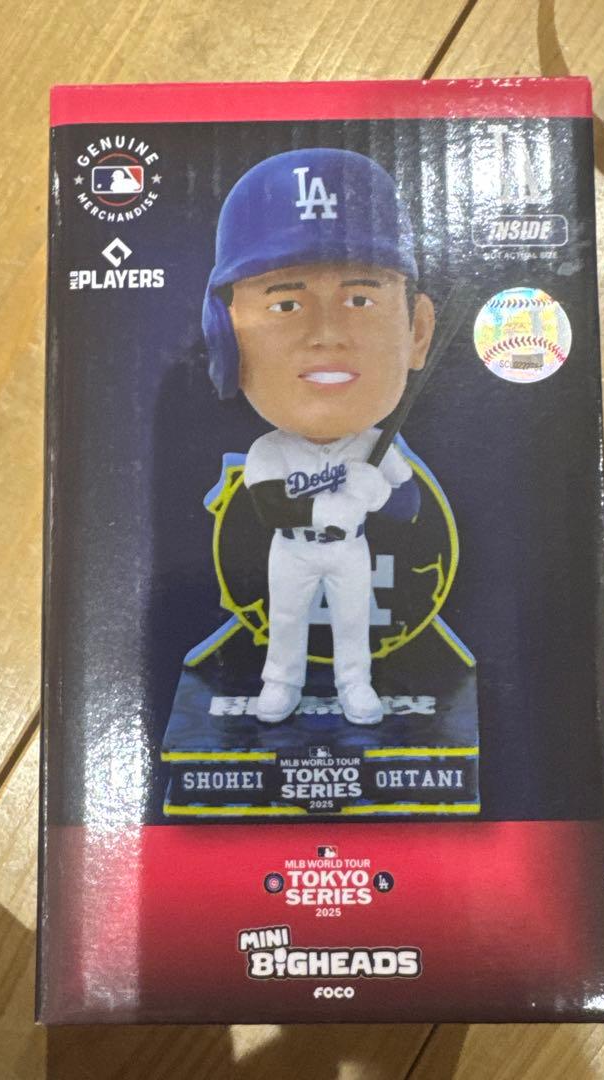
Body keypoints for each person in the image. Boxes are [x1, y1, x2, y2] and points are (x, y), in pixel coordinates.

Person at [202, 148, 434, 725]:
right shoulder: (270, 451)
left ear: (418, 332)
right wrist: (330, 504)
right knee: (286, 619)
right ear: (226, 339)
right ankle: (280, 685)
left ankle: (356, 686)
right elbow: (269, 509)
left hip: (351, 547)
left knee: (354, 618)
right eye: (286, 303)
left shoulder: (377, 446)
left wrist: (377, 496)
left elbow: (408, 507)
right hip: (294, 548)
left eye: (360, 299)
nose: (327, 335)